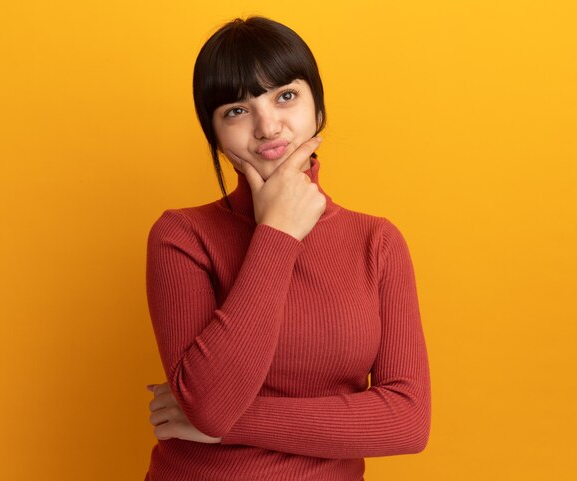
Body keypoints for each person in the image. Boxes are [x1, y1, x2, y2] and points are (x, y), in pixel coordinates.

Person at [143, 16, 431, 481]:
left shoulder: (377, 242)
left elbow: (407, 422)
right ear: (214, 135)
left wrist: (226, 427)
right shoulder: (181, 236)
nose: (267, 126)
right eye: (236, 110)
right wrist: (278, 233)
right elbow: (211, 404)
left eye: (285, 96)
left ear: (318, 108)